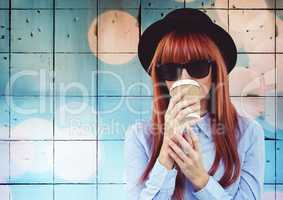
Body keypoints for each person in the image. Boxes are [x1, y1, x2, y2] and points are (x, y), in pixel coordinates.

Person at [124, 8, 265, 200]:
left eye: (197, 67)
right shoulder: (139, 136)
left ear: (215, 72)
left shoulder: (248, 133)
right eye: (170, 69)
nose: (184, 78)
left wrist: (201, 179)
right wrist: (165, 155)